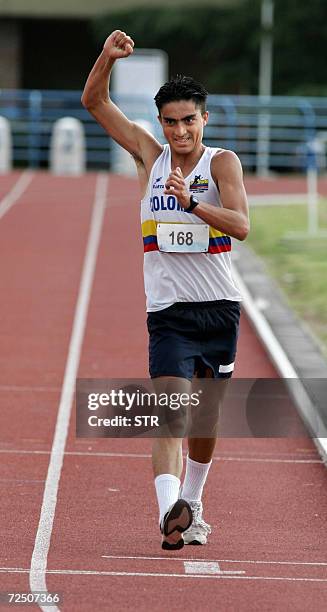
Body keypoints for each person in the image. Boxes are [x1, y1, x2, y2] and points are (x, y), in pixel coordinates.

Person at [82, 30, 249, 550]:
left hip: (219, 309)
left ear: (205, 119)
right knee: (172, 412)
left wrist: (193, 204)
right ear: (160, 123)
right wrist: (107, 58)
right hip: (170, 312)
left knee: (206, 417)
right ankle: (168, 513)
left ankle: (193, 502)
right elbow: (94, 102)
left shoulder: (221, 163)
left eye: (189, 120)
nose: (180, 130)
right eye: (171, 121)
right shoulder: (148, 158)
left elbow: (241, 225)